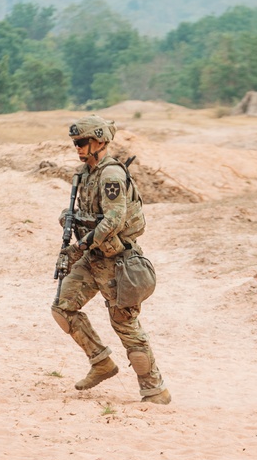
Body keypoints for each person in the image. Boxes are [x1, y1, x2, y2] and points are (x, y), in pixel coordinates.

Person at [50, 115, 171, 404]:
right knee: (63, 308)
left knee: (127, 329)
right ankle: (101, 362)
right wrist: (71, 219)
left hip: (118, 263)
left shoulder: (111, 175)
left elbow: (114, 221)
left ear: (100, 141)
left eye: (82, 142)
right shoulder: (85, 173)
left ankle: (155, 390)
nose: (77, 147)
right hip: (93, 258)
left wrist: (78, 246)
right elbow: (93, 215)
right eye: (75, 143)